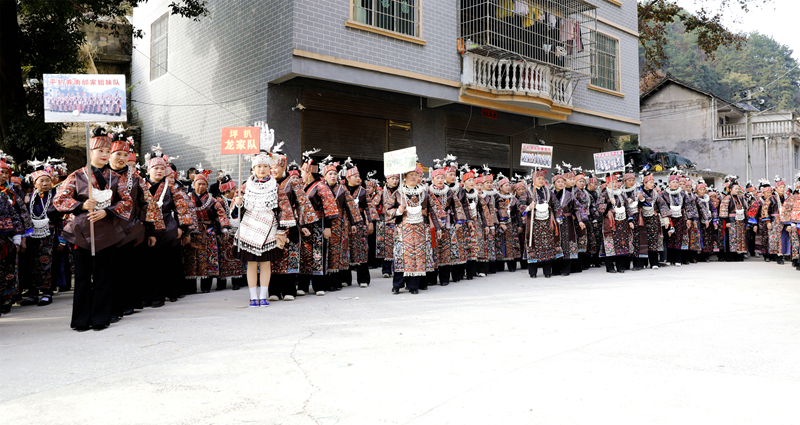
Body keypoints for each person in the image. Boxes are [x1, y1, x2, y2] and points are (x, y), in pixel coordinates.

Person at [53, 127, 133, 331]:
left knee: (103, 276)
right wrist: (81, 205)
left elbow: (127, 202)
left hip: (107, 232)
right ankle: (81, 320)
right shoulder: (76, 176)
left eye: (107, 151)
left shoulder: (116, 178)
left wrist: (107, 211)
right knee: (81, 276)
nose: (105, 155)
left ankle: (100, 318)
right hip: (81, 232)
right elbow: (59, 199)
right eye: (100, 151)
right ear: (90, 152)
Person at [108, 134, 163, 320]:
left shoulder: (135, 177)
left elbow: (148, 203)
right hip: (105, 229)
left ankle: (126, 304)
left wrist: (151, 230)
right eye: (118, 153)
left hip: (129, 230)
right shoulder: (99, 175)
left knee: (128, 269)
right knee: (108, 270)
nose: (122, 158)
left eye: (126, 154)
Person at [232, 150, 288, 307]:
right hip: (249, 227)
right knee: (251, 263)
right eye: (259, 166)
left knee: (265, 263)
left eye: (265, 166)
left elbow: (284, 208)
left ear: (270, 168)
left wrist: (281, 229)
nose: (262, 169)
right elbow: (235, 213)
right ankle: (252, 296)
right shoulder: (245, 185)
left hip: (269, 227)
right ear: (253, 168)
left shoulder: (276, 186)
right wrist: (237, 203)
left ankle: (263, 295)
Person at [142, 148, 193, 308]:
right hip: (145, 228)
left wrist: (182, 227)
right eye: (155, 168)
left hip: (165, 228)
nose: (159, 171)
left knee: (162, 263)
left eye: (162, 168)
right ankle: (146, 296)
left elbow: (182, 208)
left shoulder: (171, 187)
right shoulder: (141, 185)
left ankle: (159, 296)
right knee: (146, 264)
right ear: (148, 169)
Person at [269, 147, 317, 300]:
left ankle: (289, 290)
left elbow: (302, 204)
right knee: (272, 257)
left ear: (284, 166)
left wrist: (304, 225)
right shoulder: (267, 182)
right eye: (271, 167)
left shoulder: (293, 181)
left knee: (289, 256)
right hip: (270, 224)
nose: (273, 170)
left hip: (289, 224)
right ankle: (274, 291)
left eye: (276, 167)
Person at [389, 163, 438, 294]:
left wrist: (437, 227)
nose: (414, 177)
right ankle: (397, 285)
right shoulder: (398, 193)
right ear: (405, 176)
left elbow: (434, 210)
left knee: (419, 257)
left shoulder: (424, 193)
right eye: (411, 175)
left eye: (416, 175)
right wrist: (398, 211)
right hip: (403, 229)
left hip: (421, 229)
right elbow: (387, 210)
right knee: (402, 256)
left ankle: (414, 286)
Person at [184, 166, 232, 293]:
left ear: (207, 185)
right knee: (191, 259)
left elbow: (221, 214)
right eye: (199, 184)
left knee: (208, 259)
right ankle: (191, 287)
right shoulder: (186, 199)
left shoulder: (212, 200)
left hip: (208, 233)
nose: (201, 187)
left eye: (204, 184)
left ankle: (206, 286)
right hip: (191, 233)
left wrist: (224, 228)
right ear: (194, 184)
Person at [298, 152, 339, 296]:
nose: (301, 175)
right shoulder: (303, 187)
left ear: (309, 173)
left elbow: (330, 207)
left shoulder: (321, 187)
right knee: (304, 255)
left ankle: (319, 286)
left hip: (318, 224)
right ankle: (303, 286)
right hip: (304, 226)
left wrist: (328, 227)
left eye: (302, 173)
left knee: (318, 255)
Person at [342, 159, 376, 289]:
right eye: (355, 176)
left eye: (359, 176)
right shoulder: (342, 190)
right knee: (346, 250)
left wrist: (371, 222)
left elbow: (369, 206)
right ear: (348, 177)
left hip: (360, 223)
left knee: (361, 250)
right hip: (345, 223)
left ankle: (363, 279)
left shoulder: (363, 191)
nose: (358, 178)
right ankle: (345, 279)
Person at [522, 168, 562, 278]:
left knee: (548, 246)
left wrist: (558, 217)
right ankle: (533, 272)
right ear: (533, 179)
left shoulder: (548, 192)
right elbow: (520, 205)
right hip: (533, 223)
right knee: (532, 245)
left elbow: (556, 205)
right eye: (538, 178)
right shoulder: (528, 192)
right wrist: (528, 207)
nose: (540, 180)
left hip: (547, 223)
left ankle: (547, 271)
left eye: (542, 179)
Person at [658, 171, 699, 267]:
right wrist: (665, 218)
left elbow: (688, 206)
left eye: (677, 182)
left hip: (680, 218)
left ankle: (678, 259)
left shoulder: (683, 194)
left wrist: (689, 218)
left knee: (678, 237)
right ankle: (669, 259)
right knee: (669, 237)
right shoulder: (664, 194)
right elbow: (662, 206)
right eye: (673, 182)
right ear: (669, 183)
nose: (675, 184)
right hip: (669, 218)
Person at [215, 172, 246, 290]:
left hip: (237, 232)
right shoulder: (219, 201)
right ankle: (221, 283)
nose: (235, 191)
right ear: (227, 191)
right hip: (225, 233)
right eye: (233, 189)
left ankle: (236, 282)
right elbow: (217, 217)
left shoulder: (237, 200)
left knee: (236, 257)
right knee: (223, 258)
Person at [597, 174, 633, 273]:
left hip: (622, 223)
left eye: (616, 182)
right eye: (612, 182)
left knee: (621, 244)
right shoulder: (604, 194)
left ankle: (620, 266)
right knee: (610, 244)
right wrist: (609, 204)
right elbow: (598, 207)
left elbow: (627, 207)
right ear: (607, 183)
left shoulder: (621, 194)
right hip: (610, 222)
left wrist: (630, 220)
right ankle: (610, 267)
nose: (615, 184)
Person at [494, 174, 522, 273]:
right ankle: (500, 265)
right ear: (500, 187)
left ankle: (512, 265)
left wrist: (520, 225)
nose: (508, 187)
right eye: (505, 185)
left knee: (512, 244)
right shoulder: (496, 197)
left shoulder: (513, 199)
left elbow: (518, 213)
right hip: (499, 225)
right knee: (500, 243)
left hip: (511, 224)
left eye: (509, 185)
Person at [750, 180, 783, 263]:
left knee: (774, 239)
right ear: (763, 193)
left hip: (773, 221)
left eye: (770, 192)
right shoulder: (759, 201)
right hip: (762, 223)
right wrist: (754, 224)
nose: (769, 194)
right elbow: (753, 213)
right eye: (767, 192)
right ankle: (766, 255)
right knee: (764, 240)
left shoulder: (774, 199)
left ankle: (774, 255)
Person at [719, 179, 749, 262]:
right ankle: (730, 257)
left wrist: (746, 221)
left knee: (740, 238)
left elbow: (745, 209)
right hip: (731, 221)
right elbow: (724, 210)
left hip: (741, 221)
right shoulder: (727, 198)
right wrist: (727, 221)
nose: (737, 190)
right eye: (735, 188)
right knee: (732, 238)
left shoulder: (741, 198)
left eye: (738, 188)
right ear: (730, 189)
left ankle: (739, 256)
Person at [380, 174, 400, 278]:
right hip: (385, 221)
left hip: (398, 220)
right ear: (387, 179)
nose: (395, 181)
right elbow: (373, 204)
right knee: (386, 247)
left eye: (397, 179)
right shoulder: (381, 191)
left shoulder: (401, 191)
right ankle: (386, 270)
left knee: (399, 245)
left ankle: (397, 269)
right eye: (393, 178)